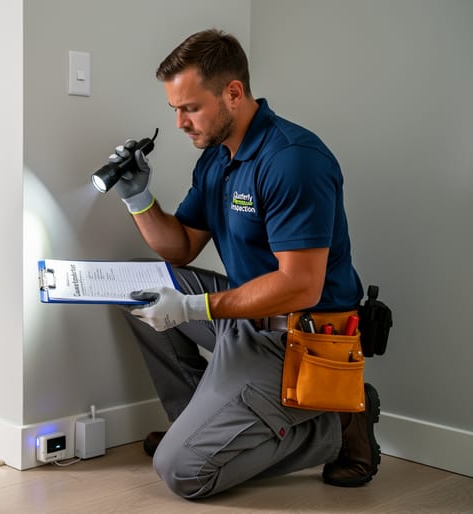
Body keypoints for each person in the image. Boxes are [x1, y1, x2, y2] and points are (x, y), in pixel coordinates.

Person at [107, 29, 379, 499]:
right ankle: (194, 426)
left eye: (190, 108)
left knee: (184, 474)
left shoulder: (293, 160)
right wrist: (138, 198)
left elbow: (301, 287)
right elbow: (180, 248)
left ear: (233, 93)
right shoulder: (216, 161)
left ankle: (336, 422)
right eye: (174, 109)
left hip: (298, 337)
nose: (179, 123)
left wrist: (195, 308)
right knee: (130, 284)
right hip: (245, 318)